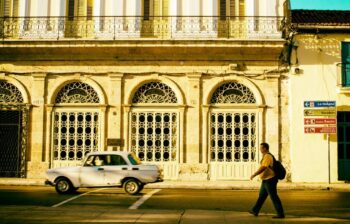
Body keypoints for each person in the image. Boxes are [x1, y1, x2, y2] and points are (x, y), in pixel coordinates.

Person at [249, 142, 285, 219]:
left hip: (270, 180)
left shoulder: (268, 156)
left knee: (274, 197)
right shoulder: (265, 156)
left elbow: (264, 167)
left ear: (265, 148)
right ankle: (255, 210)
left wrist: (254, 174)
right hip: (265, 180)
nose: (260, 149)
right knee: (261, 196)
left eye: (261, 148)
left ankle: (280, 213)